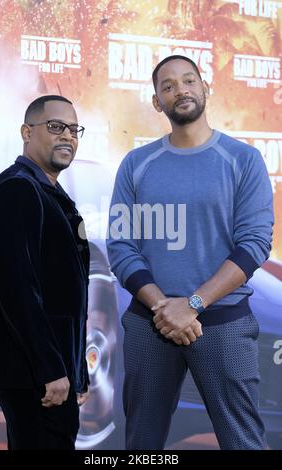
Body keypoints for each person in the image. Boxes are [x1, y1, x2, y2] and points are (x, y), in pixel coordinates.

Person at [107, 55, 274, 450]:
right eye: (168, 86)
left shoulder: (244, 160)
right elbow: (120, 245)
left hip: (224, 323)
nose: (179, 90)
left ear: (205, 88)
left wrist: (194, 304)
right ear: (156, 102)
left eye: (188, 81)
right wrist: (166, 307)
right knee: (141, 445)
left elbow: (254, 244)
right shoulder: (136, 164)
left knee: (243, 442)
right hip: (152, 324)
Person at [0, 95, 90, 449]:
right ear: (27, 132)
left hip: (52, 370)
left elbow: (68, 296)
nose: (67, 136)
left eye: (74, 130)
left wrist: (77, 371)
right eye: (56, 127)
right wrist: (50, 369)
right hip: (33, 373)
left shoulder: (49, 192)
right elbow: (17, 288)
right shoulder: (17, 188)